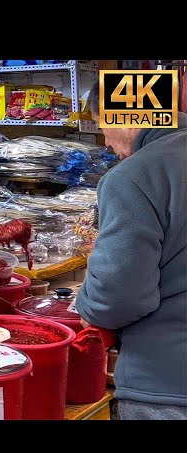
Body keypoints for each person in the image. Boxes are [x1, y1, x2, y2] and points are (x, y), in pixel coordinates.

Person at [75, 81, 187, 420]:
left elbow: (118, 296)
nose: (107, 143)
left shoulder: (134, 175)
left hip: (167, 386)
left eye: (103, 128)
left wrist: (87, 306)